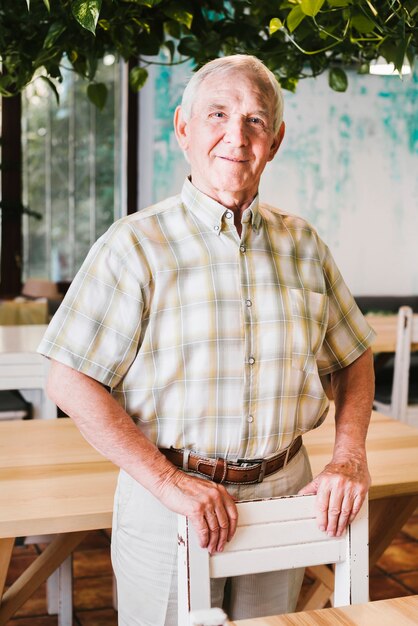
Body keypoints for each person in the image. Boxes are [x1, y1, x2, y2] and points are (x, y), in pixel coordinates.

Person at [38, 54, 375, 625]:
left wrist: (348, 457)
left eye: (255, 120)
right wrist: (170, 482)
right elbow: (68, 379)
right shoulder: (134, 244)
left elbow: (355, 356)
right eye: (217, 114)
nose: (236, 136)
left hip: (286, 495)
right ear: (184, 129)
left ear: (278, 138)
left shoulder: (305, 244)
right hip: (169, 497)